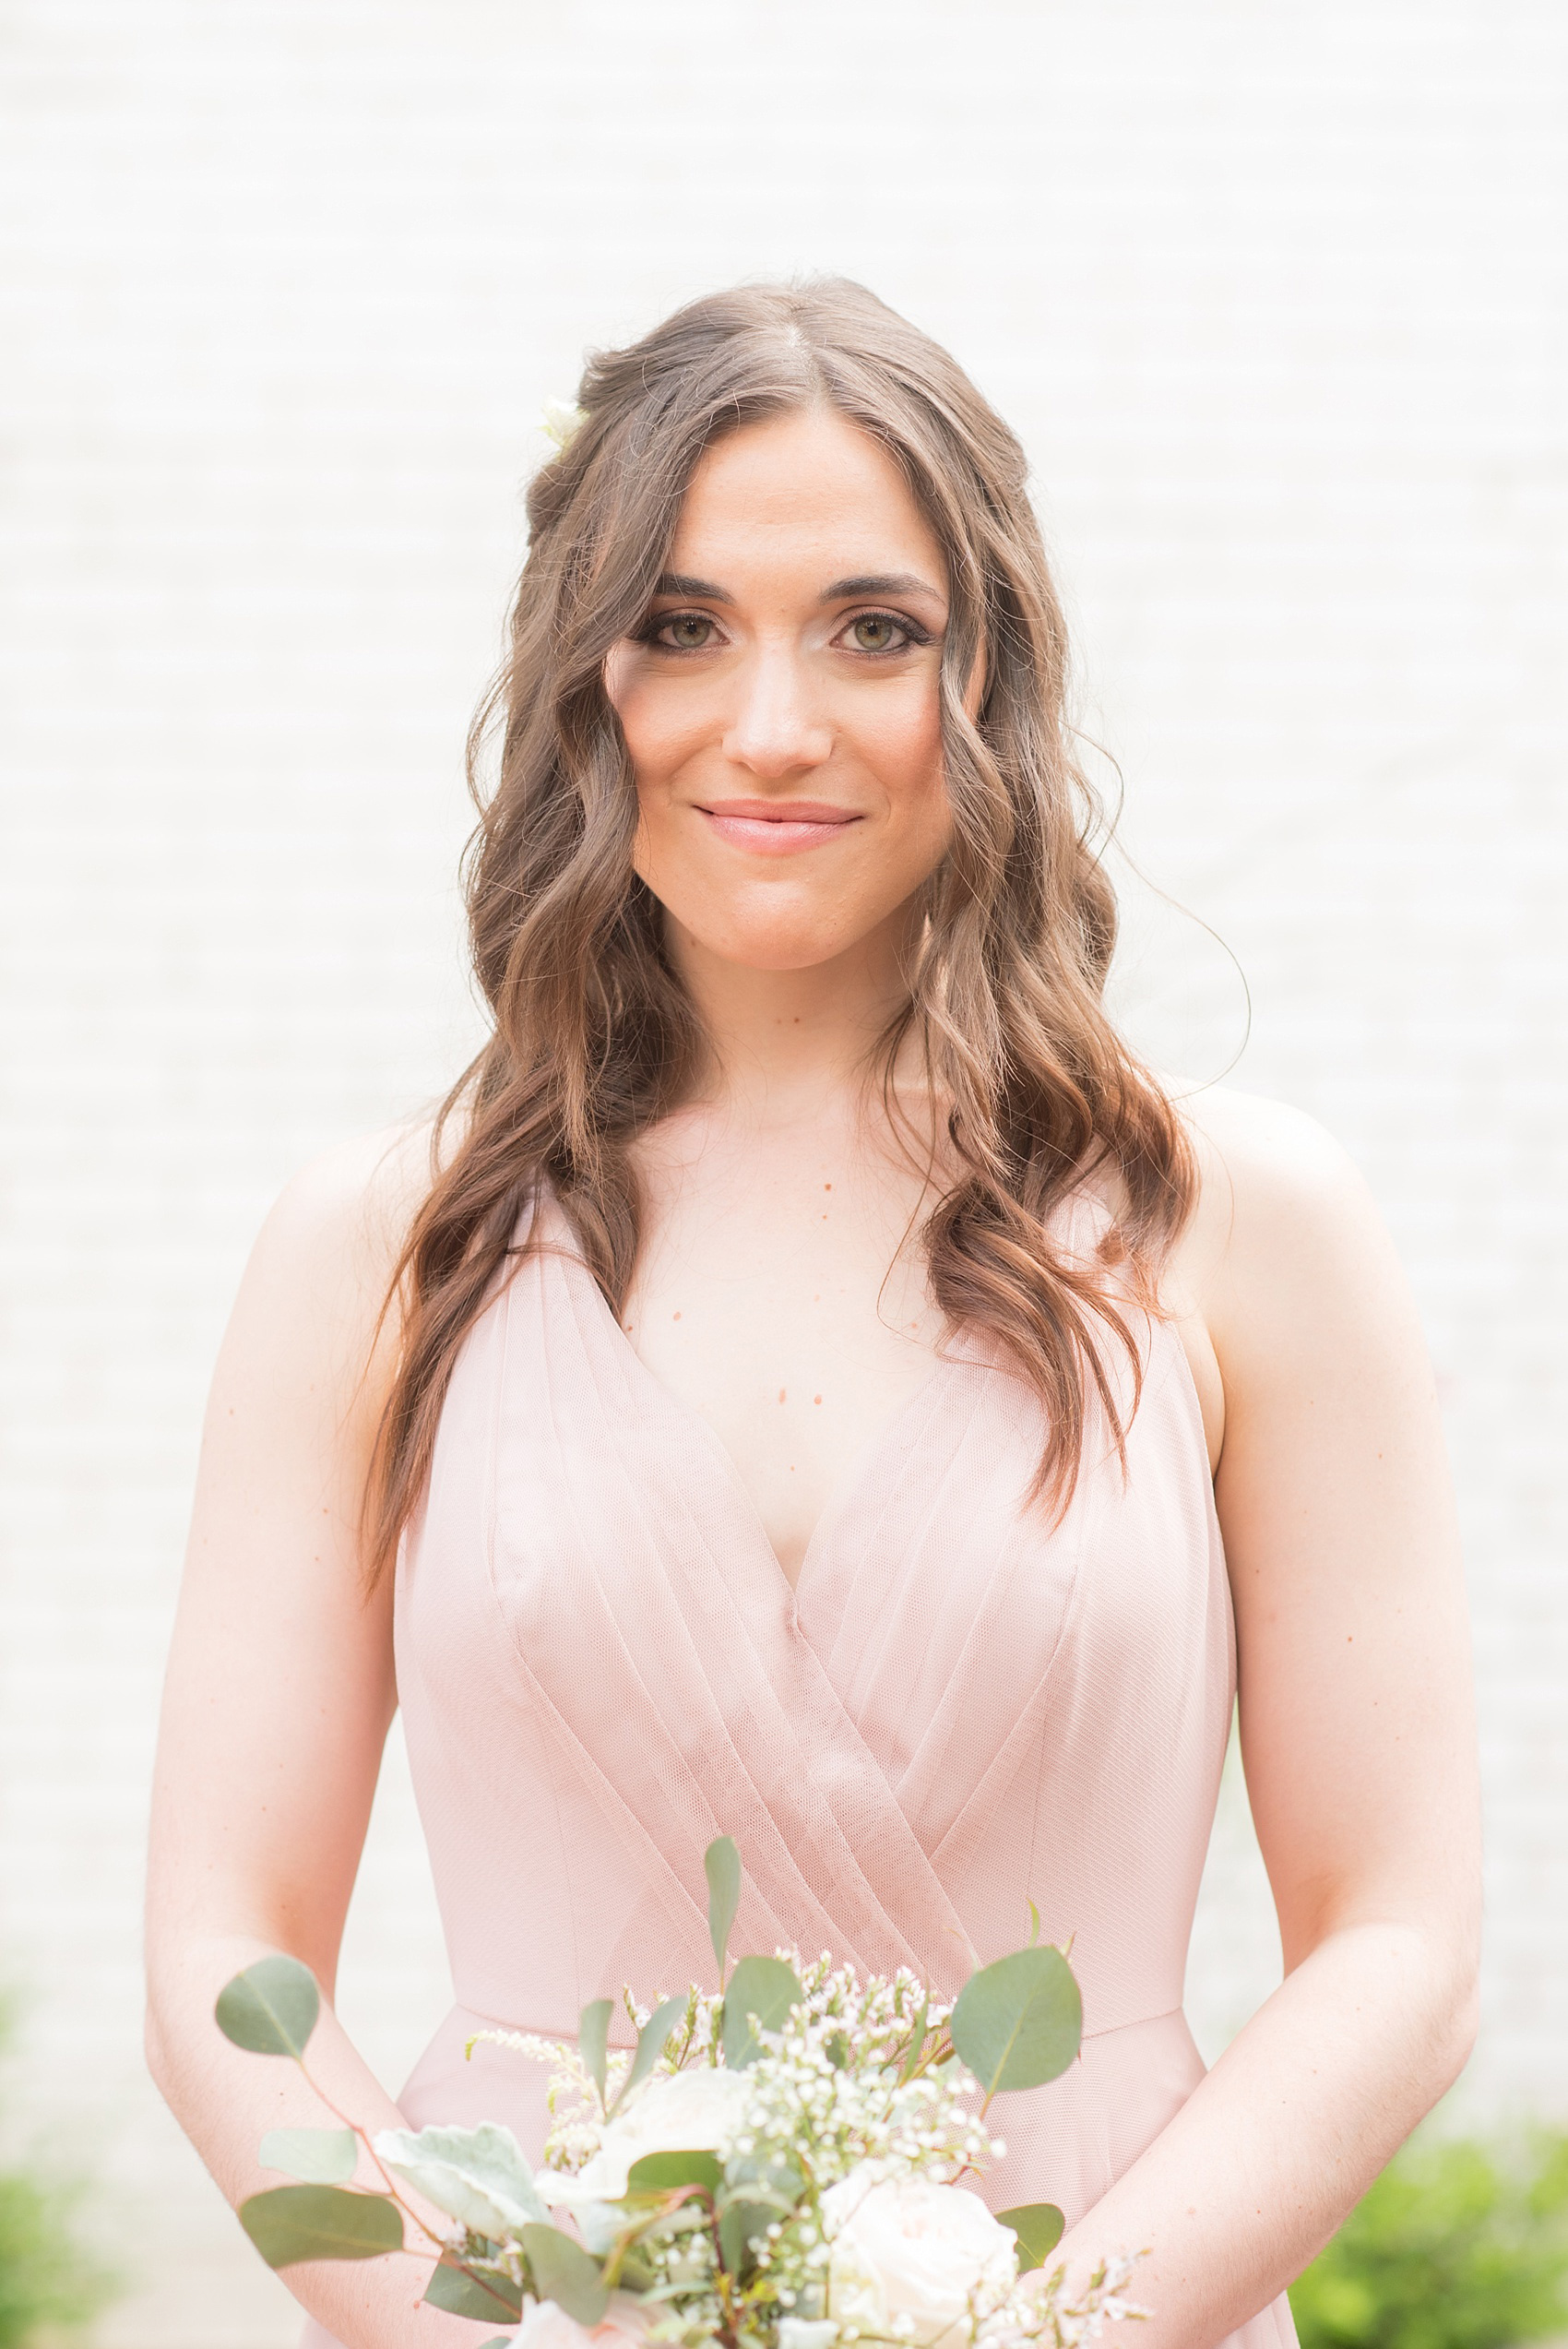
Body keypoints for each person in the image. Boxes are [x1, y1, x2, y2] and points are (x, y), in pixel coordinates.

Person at [144, 280, 1480, 2349]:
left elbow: (1397, 1934)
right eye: (680, 626)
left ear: (989, 677)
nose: (771, 723)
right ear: (581, 676)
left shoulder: (1238, 1227)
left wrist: (1052, 2330)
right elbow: (224, 1949)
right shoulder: (373, 1249)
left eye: (873, 628)